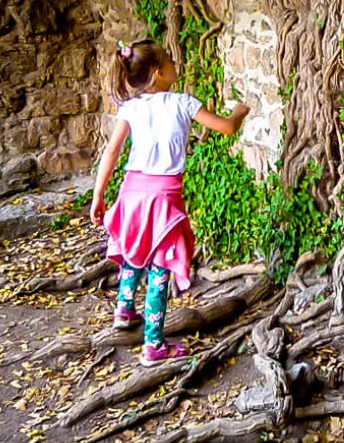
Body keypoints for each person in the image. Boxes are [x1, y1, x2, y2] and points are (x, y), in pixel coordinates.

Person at [89, 38, 249, 366]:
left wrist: (98, 194)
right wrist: (239, 111)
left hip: (131, 191)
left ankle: (123, 310)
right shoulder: (183, 103)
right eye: (171, 62)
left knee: (134, 249)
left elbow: (112, 152)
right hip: (163, 198)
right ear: (161, 72)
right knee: (160, 268)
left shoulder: (131, 108)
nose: (177, 65)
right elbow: (228, 128)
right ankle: (153, 346)